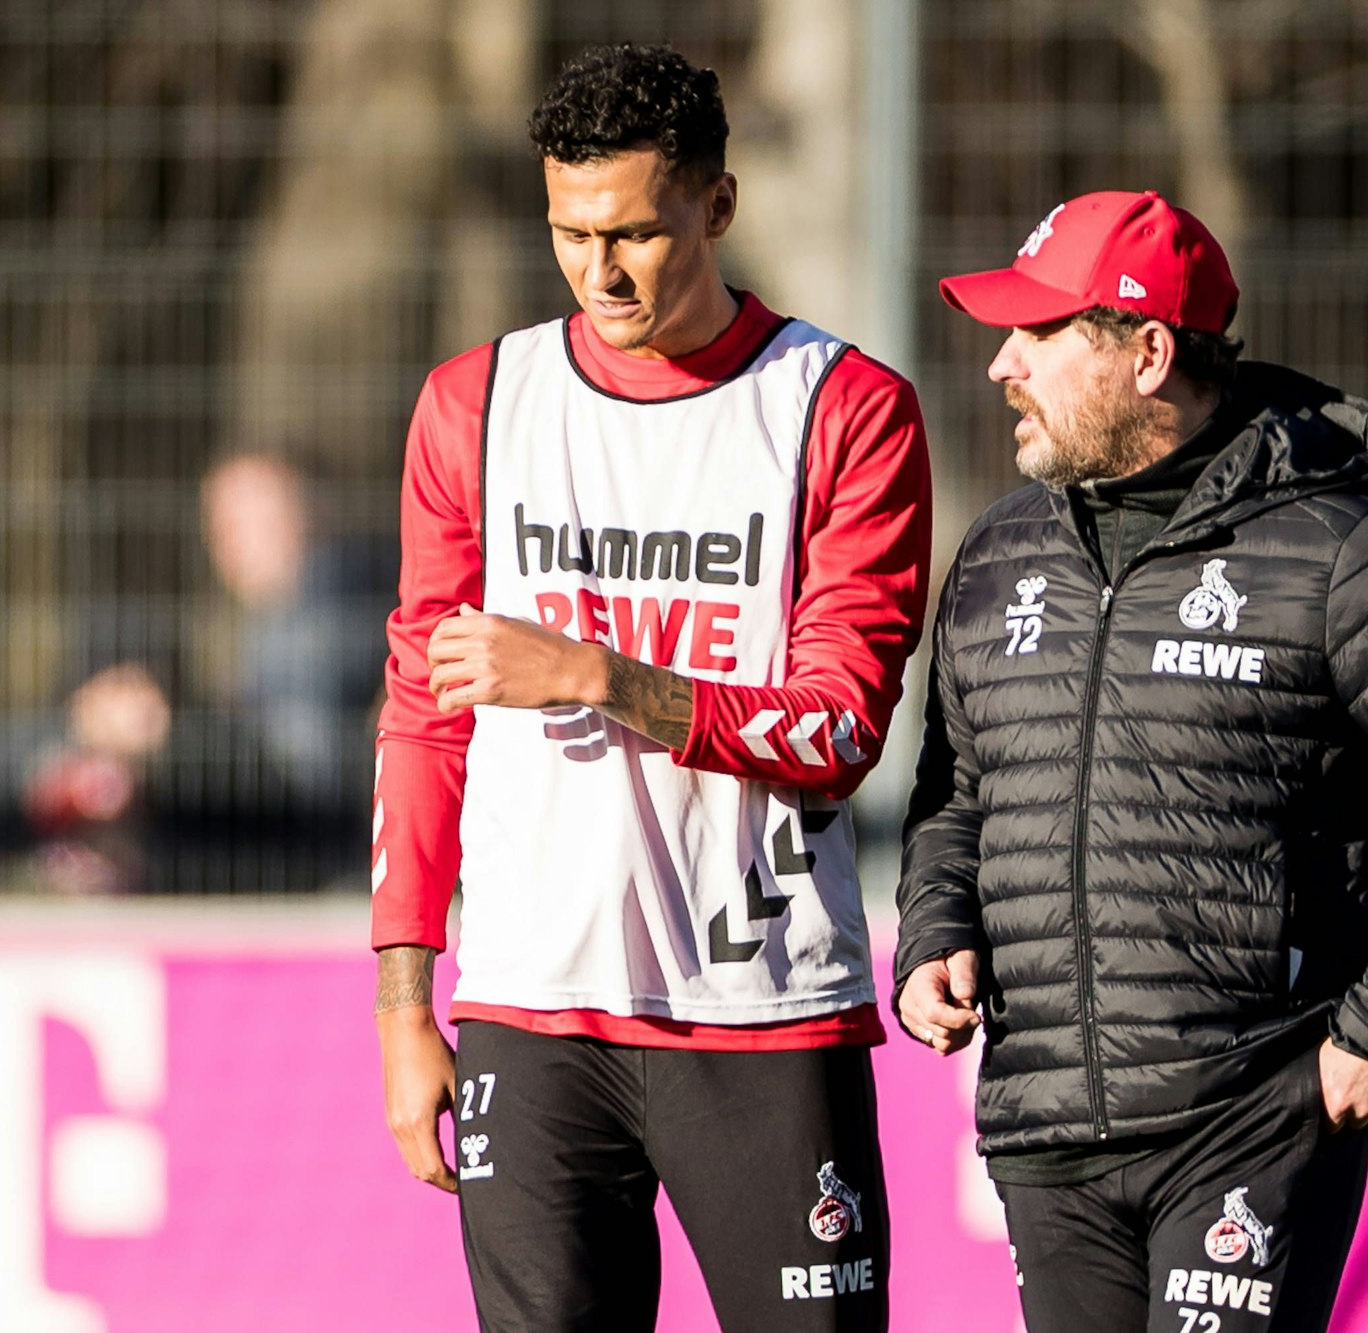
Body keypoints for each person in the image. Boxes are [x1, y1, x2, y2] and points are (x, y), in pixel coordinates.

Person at [895, 190, 1368, 1332]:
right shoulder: (997, 552)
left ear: (1147, 355)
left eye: (1038, 333)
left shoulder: (1342, 552)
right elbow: (959, 796)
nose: (1001, 365)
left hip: (1253, 1119)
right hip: (1044, 1133)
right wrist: (935, 929)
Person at [369, 44, 931, 1333]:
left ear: (717, 205)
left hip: (763, 1004)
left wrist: (595, 675)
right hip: (529, 1009)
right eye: (570, 234)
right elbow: (421, 717)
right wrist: (404, 999)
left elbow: (839, 728)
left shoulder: (842, 408)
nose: (600, 272)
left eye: (633, 232)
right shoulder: (475, 404)